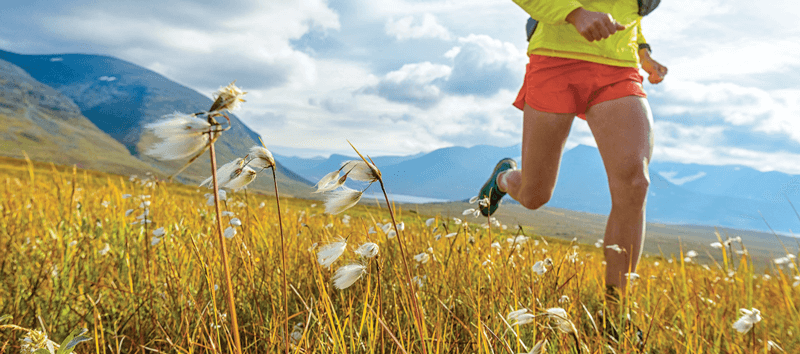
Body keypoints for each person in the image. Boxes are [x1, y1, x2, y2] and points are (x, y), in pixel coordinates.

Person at [478, 0, 667, 316]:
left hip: (620, 67)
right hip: (555, 60)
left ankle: (615, 315)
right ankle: (504, 178)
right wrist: (575, 13)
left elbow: (629, 10)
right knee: (534, 195)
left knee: (636, 182)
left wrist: (643, 53)